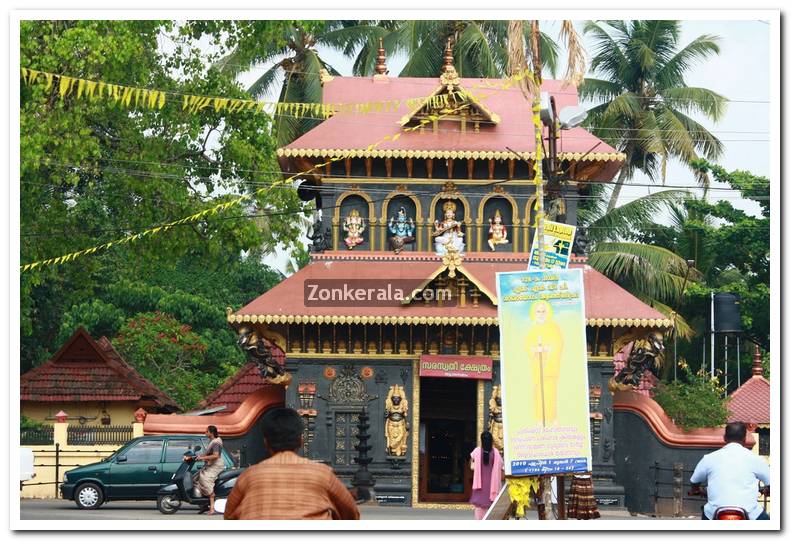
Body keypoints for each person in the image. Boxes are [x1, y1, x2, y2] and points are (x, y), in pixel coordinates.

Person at [224, 407, 360, 520]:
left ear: (265, 442)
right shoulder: (322, 474)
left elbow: (229, 517)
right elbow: (351, 514)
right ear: (301, 440)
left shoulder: (248, 476)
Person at [690, 421, 770, 520]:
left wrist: (696, 490)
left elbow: (694, 481)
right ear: (745, 439)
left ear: (724, 438)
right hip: (751, 514)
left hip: (714, 513)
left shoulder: (708, 458)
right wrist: (768, 490)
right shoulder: (756, 459)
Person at [524, 300, 564, 426]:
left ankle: (552, 419)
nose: (540, 314)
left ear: (547, 313)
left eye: (543, 311)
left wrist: (547, 349)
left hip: (549, 367)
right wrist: (535, 350)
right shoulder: (532, 329)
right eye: (538, 311)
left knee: (550, 393)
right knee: (538, 393)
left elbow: (558, 344)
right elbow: (527, 346)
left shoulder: (554, 328)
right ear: (534, 313)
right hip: (537, 366)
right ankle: (539, 419)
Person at [469, 431, 503, 520]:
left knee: (479, 508)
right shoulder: (495, 452)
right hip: (492, 485)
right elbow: (501, 465)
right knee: (491, 508)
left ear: (482, 440)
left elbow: (471, 463)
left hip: (479, 485)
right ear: (491, 440)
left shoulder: (477, 451)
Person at [194, 425, 225, 515]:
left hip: (216, 465)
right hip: (210, 464)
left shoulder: (216, 442)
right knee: (195, 478)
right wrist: (199, 457)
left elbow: (216, 455)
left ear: (211, 433)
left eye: (206, 431)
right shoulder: (212, 441)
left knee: (205, 479)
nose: (205, 433)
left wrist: (202, 458)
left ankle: (212, 507)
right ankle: (203, 505)